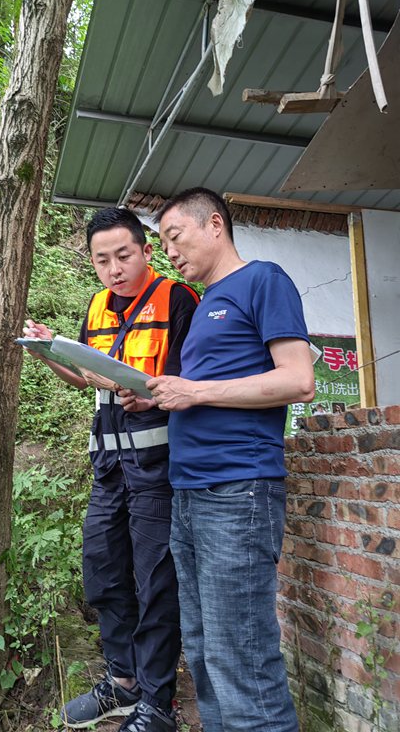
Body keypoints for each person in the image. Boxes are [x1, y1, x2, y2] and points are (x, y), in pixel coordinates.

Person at [145, 187, 315, 732]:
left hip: (237, 491)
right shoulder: (202, 309)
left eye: (175, 237)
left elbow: (299, 380)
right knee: (203, 652)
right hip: (189, 494)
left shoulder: (263, 280)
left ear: (214, 224)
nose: (170, 253)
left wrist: (194, 391)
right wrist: (158, 393)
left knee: (241, 655)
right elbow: (207, 391)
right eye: (164, 245)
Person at [23, 208, 198, 732]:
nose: (114, 269)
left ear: (146, 251)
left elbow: (193, 382)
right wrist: (48, 352)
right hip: (109, 467)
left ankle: (158, 702)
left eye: (124, 255)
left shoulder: (178, 299)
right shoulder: (98, 306)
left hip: (157, 467)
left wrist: (154, 397)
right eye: (102, 260)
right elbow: (87, 377)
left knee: (155, 583)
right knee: (103, 570)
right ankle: (123, 682)